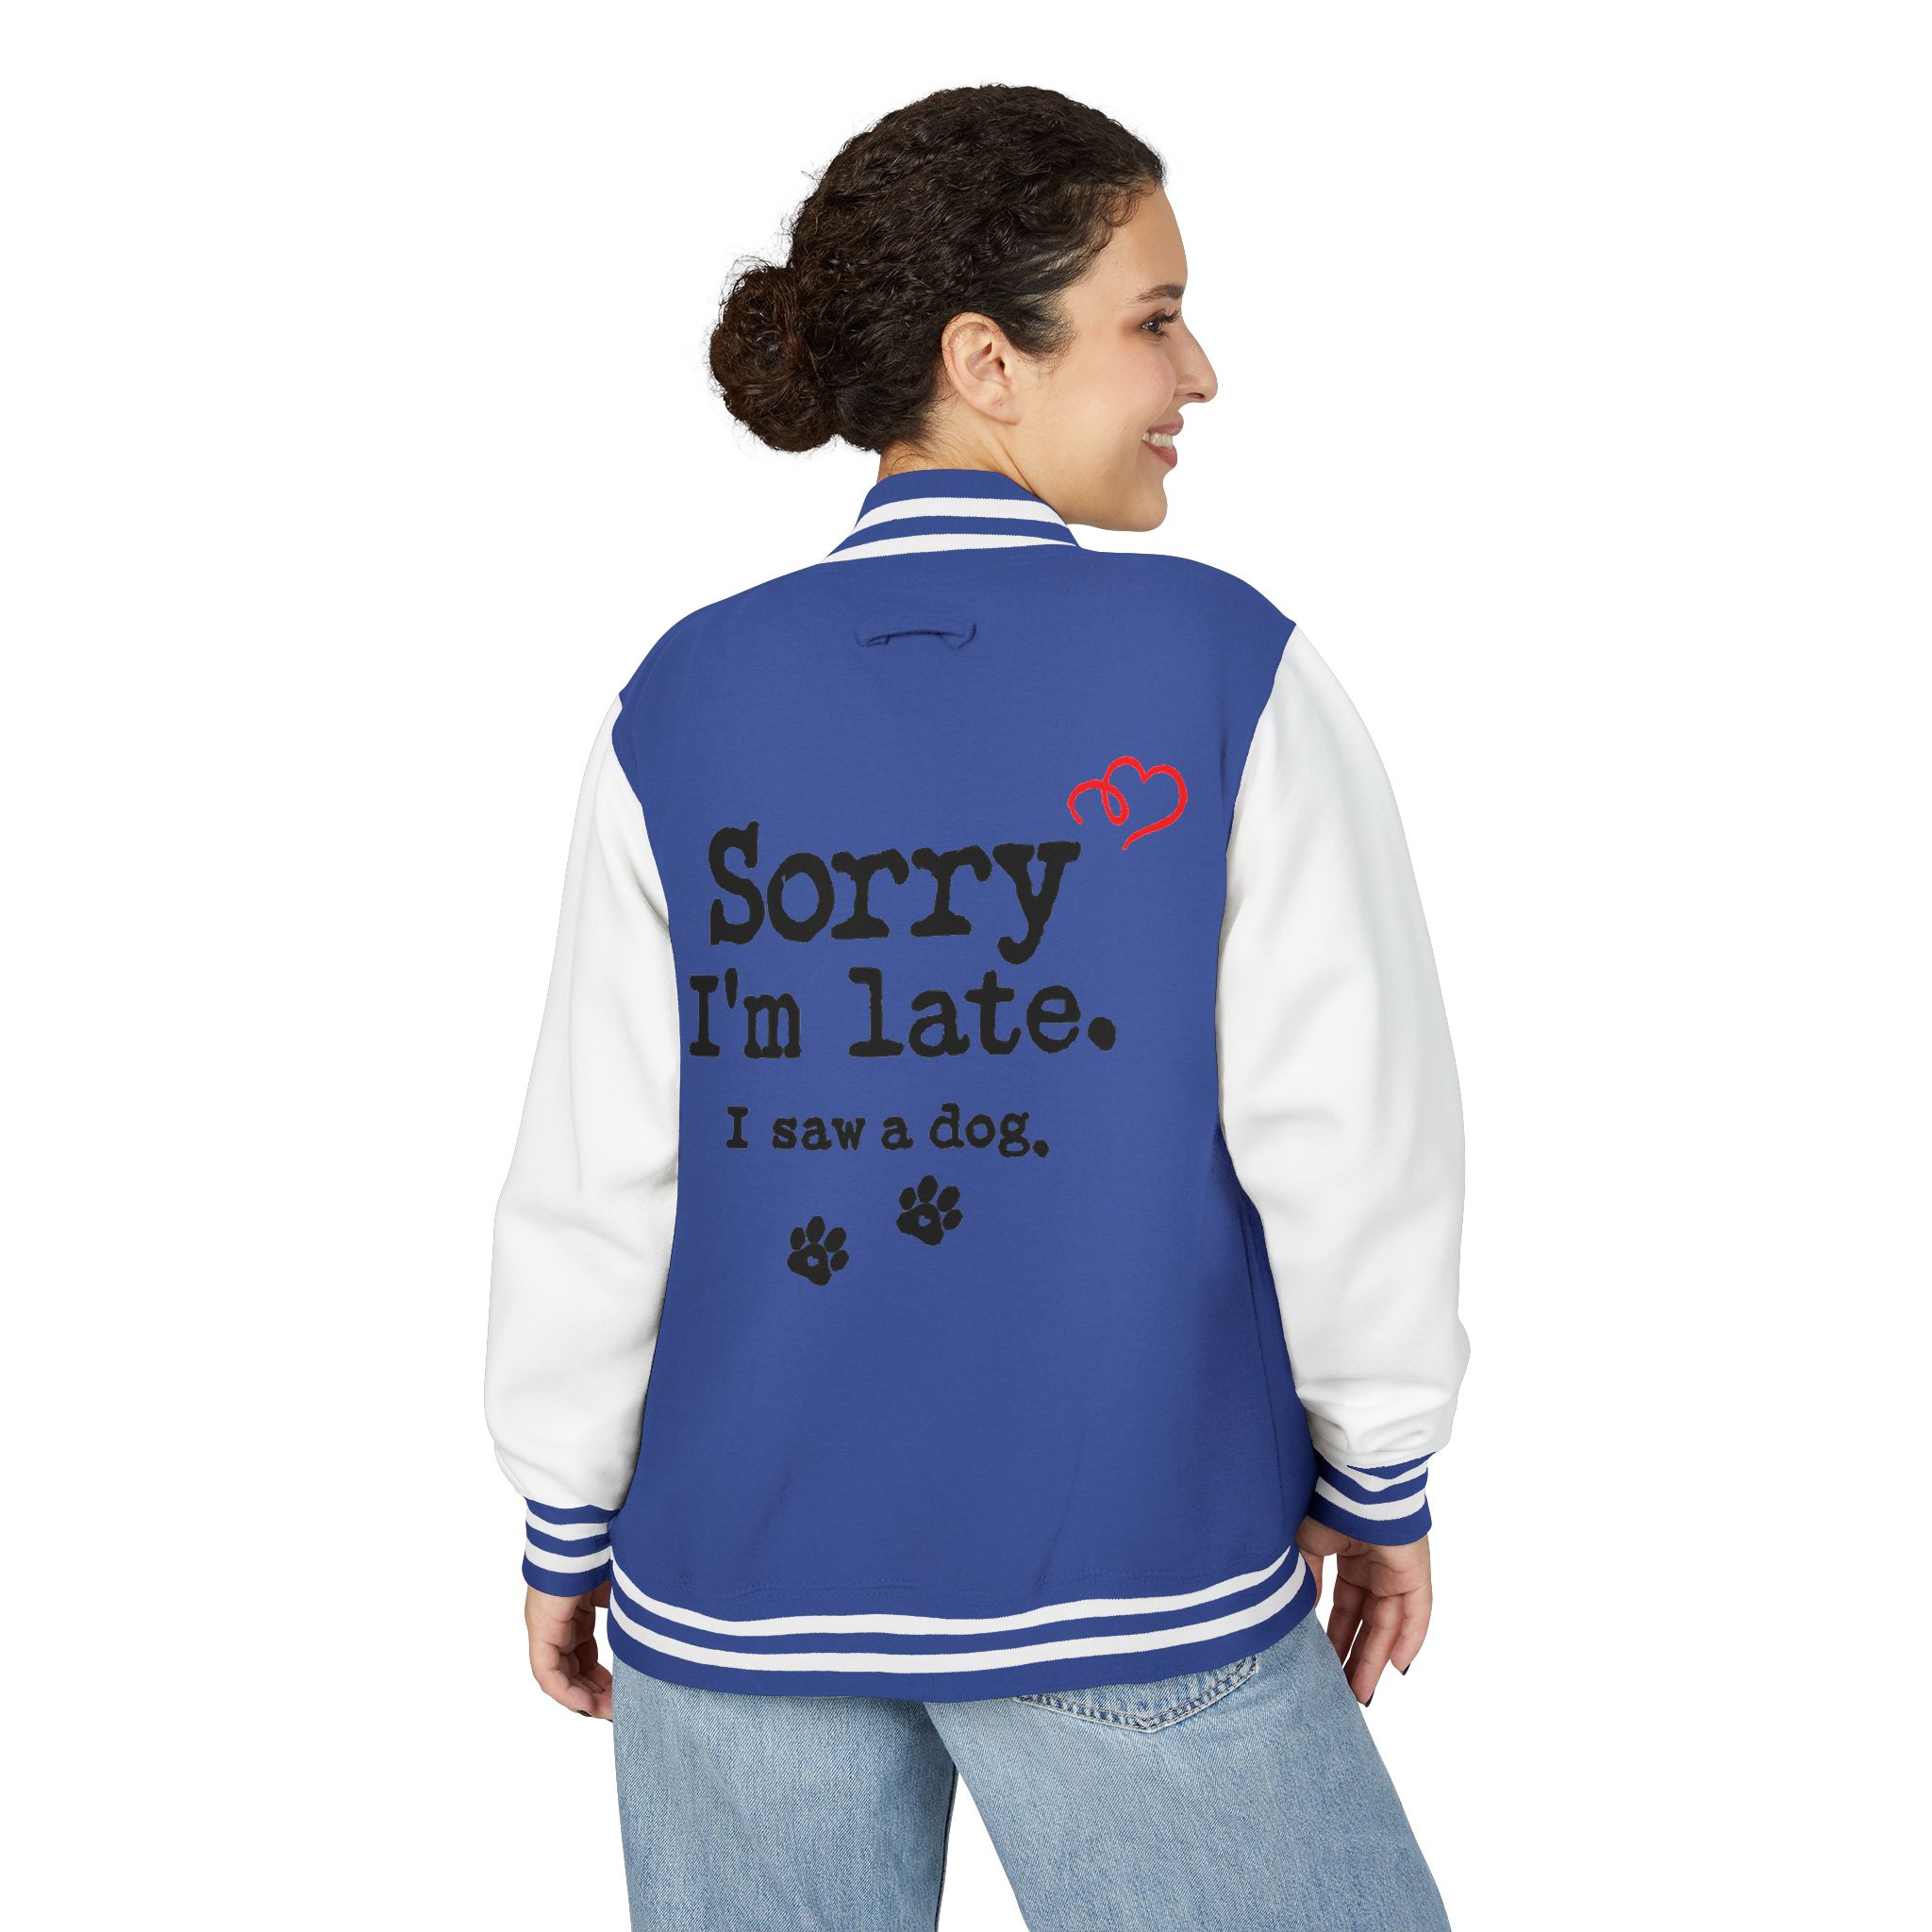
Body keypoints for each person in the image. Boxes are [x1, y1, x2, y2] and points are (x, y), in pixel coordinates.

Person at [484, 82, 1470, 1932]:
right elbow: (1344, 1125)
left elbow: (603, 1166)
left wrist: (564, 1510)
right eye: (1153, 318)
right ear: (984, 360)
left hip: (731, 1595)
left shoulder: (684, 697)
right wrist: (1381, 1465)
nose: (1199, 372)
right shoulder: (1222, 665)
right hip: (1128, 1566)